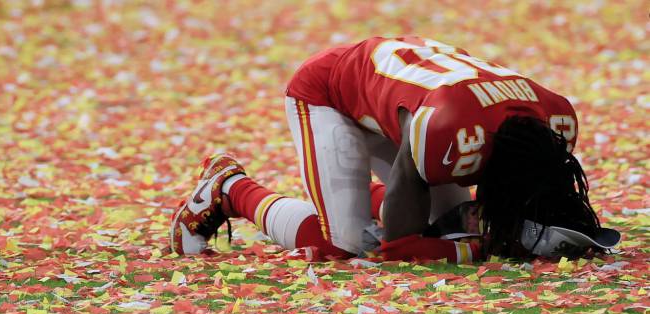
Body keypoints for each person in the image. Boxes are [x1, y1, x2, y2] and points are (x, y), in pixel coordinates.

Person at [169, 36, 619, 262]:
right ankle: (230, 188)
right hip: (332, 93)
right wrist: (479, 245)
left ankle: (340, 196)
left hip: (411, 101)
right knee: (343, 243)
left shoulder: (556, 117)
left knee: (444, 224)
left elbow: (534, 178)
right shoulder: (450, 131)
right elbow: (401, 242)